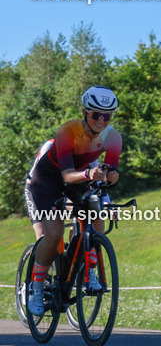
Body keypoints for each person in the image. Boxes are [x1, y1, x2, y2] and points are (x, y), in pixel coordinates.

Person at [24, 86, 122, 316]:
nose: (102, 120)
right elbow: (68, 176)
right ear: (85, 112)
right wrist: (90, 174)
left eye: (107, 116)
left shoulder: (114, 137)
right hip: (48, 180)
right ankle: (36, 287)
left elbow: (108, 175)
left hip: (80, 177)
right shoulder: (67, 131)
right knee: (54, 233)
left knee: (95, 212)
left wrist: (111, 179)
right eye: (96, 114)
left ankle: (89, 269)